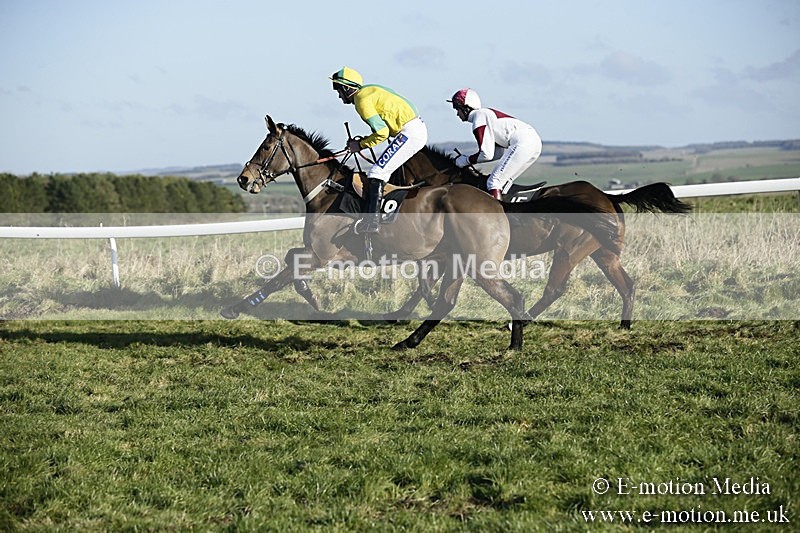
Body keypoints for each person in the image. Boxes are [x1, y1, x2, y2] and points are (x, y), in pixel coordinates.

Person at [331, 66, 428, 233]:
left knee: (377, 172)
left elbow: (382, 133)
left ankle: (371, 223)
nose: (339, 96)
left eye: (338, 90)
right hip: (411, 129)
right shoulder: (368, 90)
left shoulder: (361, 100)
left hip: (409, 133)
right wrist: (363, 141)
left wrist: (360, 145)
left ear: (347, 88)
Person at [447, 88, 542, 201]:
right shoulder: (485, 116)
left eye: (457, 109)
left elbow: (486, 154)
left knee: (494, 182)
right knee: (503, 182)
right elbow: (497, 154)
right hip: (534, 142)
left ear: (466, 107)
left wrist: (465, 160)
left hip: (524, 142)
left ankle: (495, 216)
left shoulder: (479, 118)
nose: (457, 114)